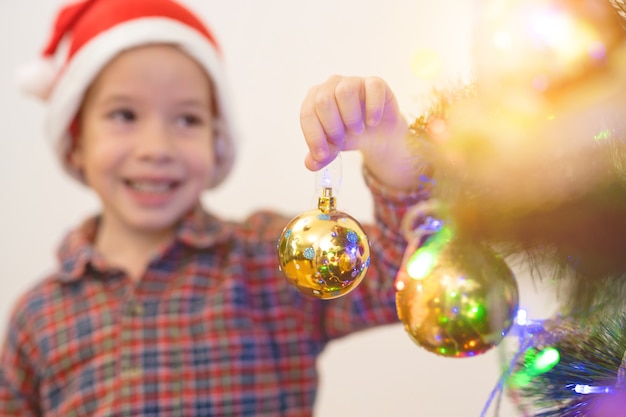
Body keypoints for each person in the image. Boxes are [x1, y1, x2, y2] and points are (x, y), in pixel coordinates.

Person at [0, 0, 427, 415]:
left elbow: (405, 275)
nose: (156, 148)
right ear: (75, 143)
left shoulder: (268, 262)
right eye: (124, 115)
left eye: (187, 119)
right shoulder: (37, 319)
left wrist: (392, 157)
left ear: (216, 141)